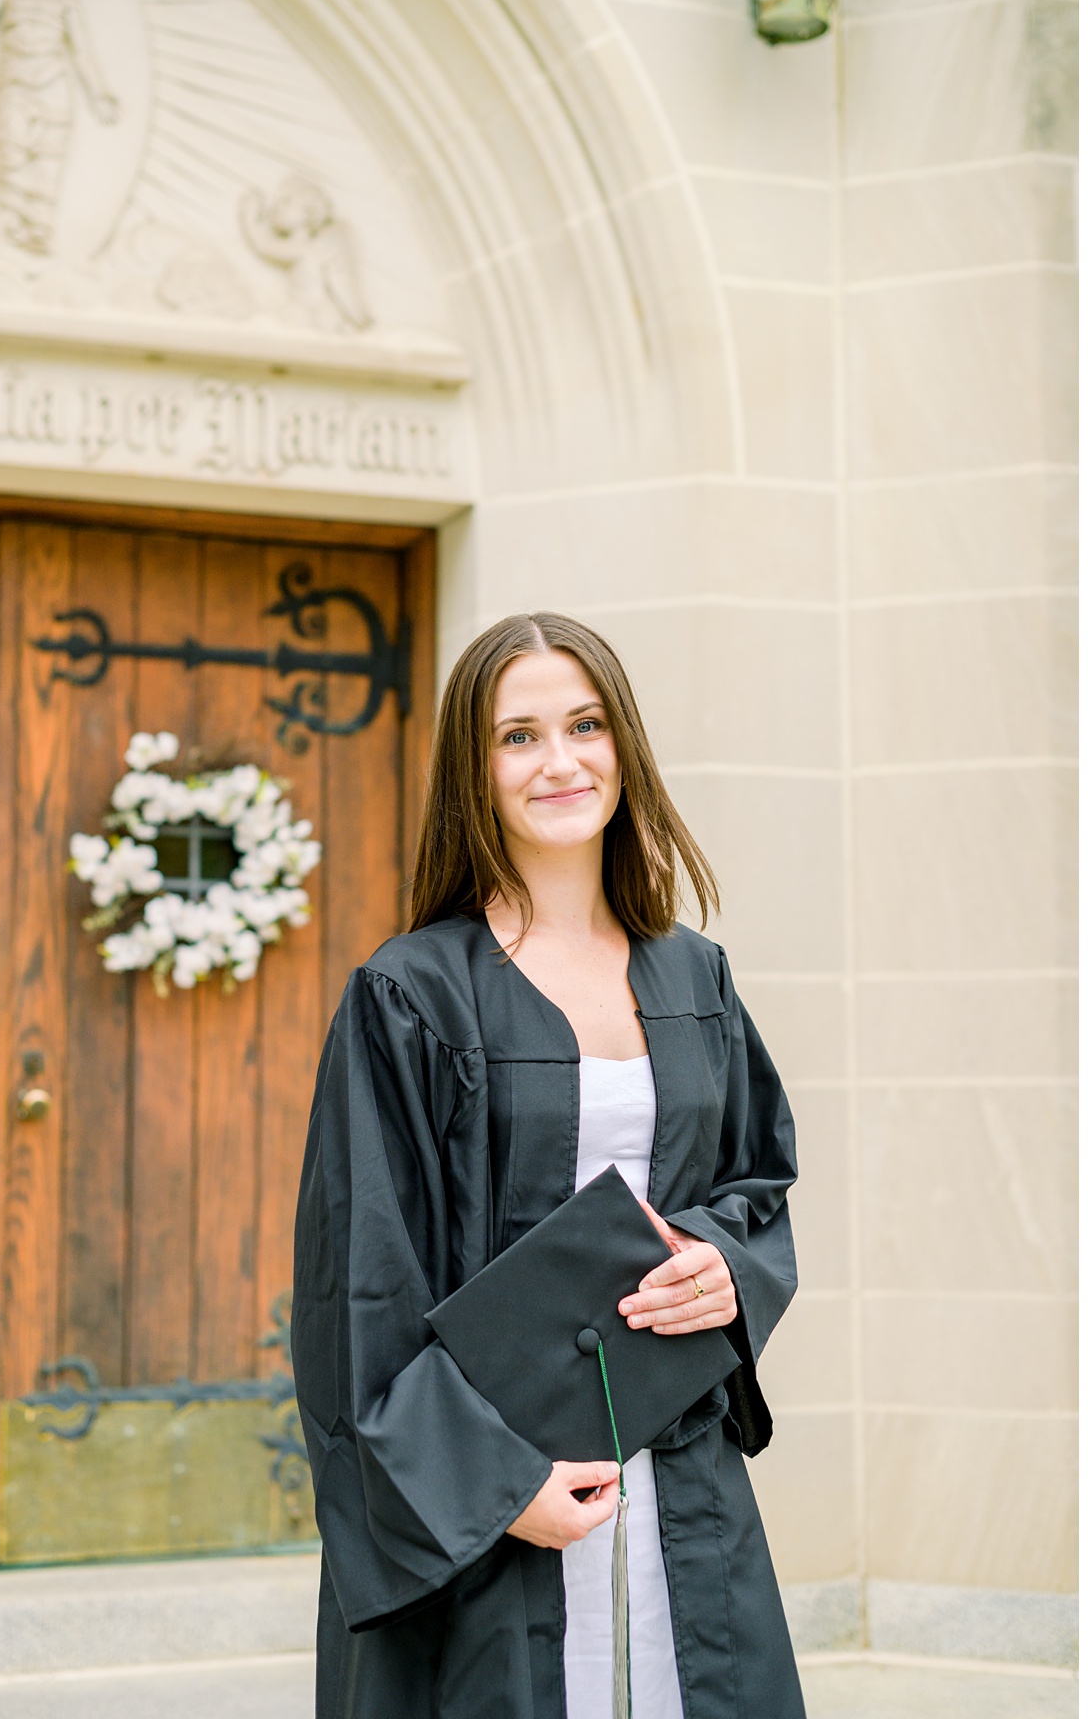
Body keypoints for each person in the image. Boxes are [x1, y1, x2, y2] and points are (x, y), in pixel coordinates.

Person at [291, 612, 803, 1717]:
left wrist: (723, 1265)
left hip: (679, 1472)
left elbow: (755, 1187)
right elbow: (363, 1286)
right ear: (474, 772)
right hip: (494, 1502)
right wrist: (498, 1481)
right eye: (518, 736)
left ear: (625, 744)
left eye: (584, 723)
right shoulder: (413, 993)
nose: (561, 760)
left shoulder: (694, 975)